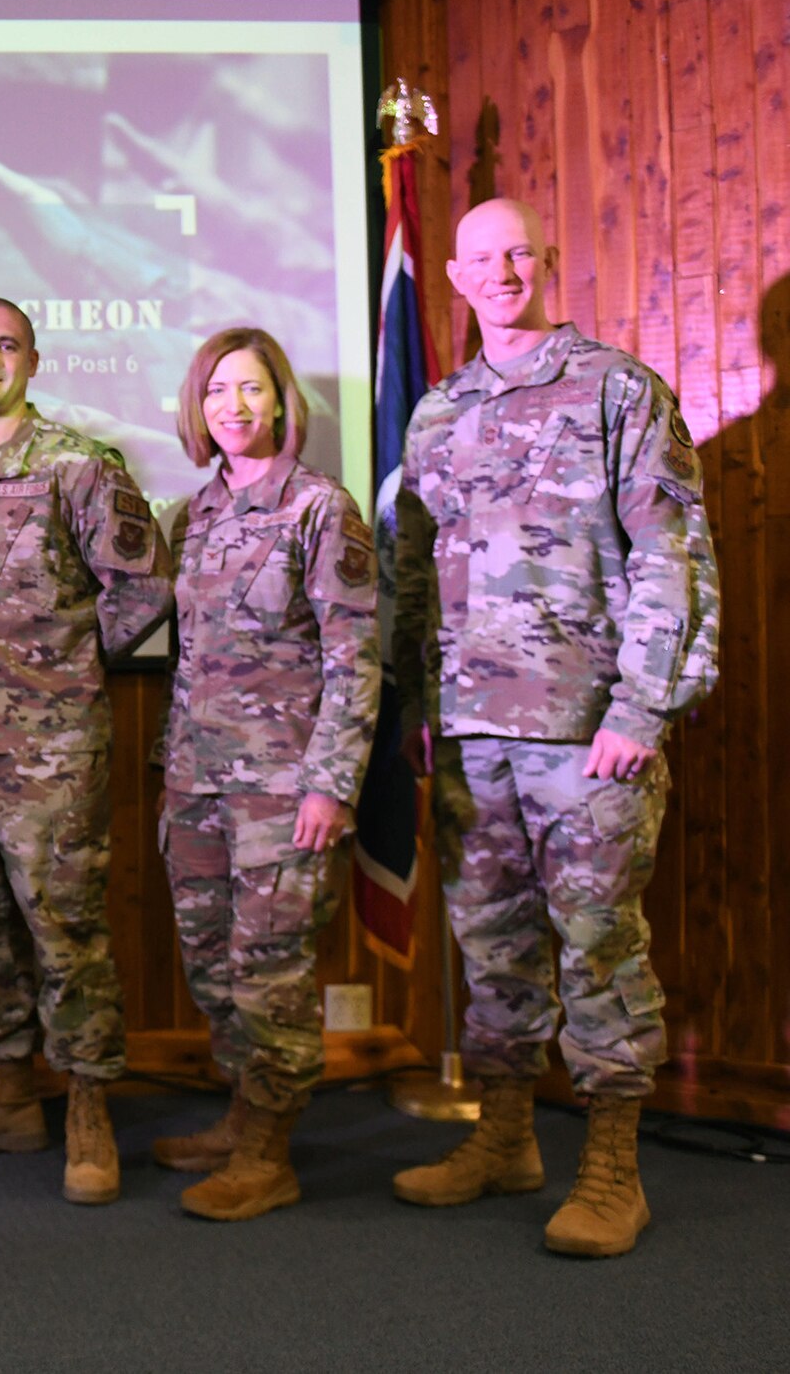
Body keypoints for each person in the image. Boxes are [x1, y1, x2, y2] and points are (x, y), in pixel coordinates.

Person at [391, 199, 720, 1257]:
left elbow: (671, 553)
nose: (500, 273)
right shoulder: (437, 413)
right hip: (469, 734)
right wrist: (415, 707)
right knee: (490, 948)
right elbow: (413, 577)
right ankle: (502, 1140)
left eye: (516, 253)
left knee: (595, 946)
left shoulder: (616, 389)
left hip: (587, 736)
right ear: (451, 274)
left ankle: (610, 1168)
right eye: (479, 259)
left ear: (546, 260)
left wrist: (639, 705)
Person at [0, 298, 174, 1205]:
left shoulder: (77, 465)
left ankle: (89, 1102)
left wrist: (64, 661)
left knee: (64, 927)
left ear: (34, 359)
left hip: (49, 744)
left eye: (6, 345)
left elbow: (143, 587)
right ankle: (9, 1094)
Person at [148, 327, 379, 1219]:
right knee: (210, 965)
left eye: (249, 390)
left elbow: (354, 656)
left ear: (281, 400)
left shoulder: (321, 507)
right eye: (216, 392)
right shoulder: (194, 514)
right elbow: (189, 658)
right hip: (198, 782)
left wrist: (331, 781)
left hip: (283, 789)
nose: (233, 407)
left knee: (269, 970)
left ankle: (269, 1153)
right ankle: (244, 1112)